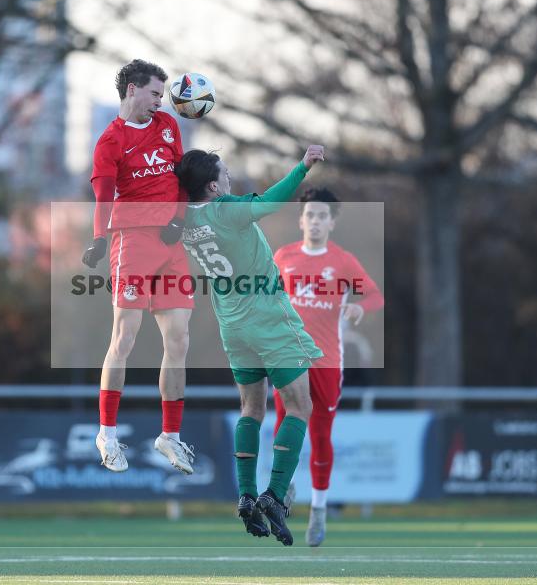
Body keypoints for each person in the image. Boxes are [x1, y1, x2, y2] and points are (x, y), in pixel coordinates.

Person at [175, 144, 325, 546]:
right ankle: (273, 495)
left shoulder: (185, 219)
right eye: (223, 173)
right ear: (212, 186)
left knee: (251, 408)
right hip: (268, 318)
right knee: (299, 406)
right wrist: (303, 167)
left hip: (232, 324)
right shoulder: (225, 209)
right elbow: (271, 202)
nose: (229, 178)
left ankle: (245, 494)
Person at [82, 59, 195, 475]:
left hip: (170, 243)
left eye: (162, 95)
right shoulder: (110, 141)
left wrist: (179, 219)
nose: (159, 102)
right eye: (154, 93)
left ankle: (170, 436)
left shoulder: (168, 126)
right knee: (125, 337)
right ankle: (107, 434)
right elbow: (103, 198)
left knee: (179, 339)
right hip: (132, 241)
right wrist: (98, 238)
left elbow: (182, 180)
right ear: (132, 89)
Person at [272, 187, 385, 546]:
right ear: (301, 220)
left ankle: (319, 509)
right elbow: (267, 298)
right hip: (289, 358)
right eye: (310, 215)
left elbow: (375, 295)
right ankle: (284, 486)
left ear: (332, 222)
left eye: (323, 215)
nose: (315, 221)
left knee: (320, 436)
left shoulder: (343, 262)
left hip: (327, 362)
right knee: (284, 426)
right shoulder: (284, 257)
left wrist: (359, 307)